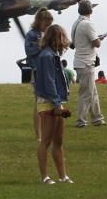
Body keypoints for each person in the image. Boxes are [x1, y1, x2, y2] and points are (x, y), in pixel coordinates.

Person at [33, 24, 73, 184]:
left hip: (57, 100)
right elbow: (49, 82)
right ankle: (45, 177)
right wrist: (57, 104)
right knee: (47, 140)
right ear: (56, 39)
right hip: (49, 101)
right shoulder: (48, 56)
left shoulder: (52, 55)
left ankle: (63, 176)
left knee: (59, 141)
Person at [71, 0, 107, 128]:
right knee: (86, 93)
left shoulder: (76, 23)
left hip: (80, 61)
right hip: (86, 62)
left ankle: (97, 118)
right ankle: (81, 120)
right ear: (90, 11)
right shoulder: (87, 24)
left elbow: (75, 43)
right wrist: (99, 39)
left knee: (92, 92)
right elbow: (96, 43)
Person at [26, 8, 54, 141]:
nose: (47, 27)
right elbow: (30, 50)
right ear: (39, 21)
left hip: (48, 70)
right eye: (46, 24)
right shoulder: (32, 34)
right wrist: (43, 44)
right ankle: (39, 135)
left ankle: (47, 132)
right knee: (38, 102)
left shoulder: (47, 34)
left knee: (48, 103)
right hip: (38, 71)